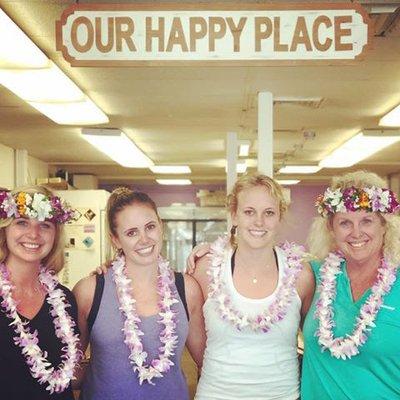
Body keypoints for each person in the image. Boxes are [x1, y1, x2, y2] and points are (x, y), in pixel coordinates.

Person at [190, 173, 314, 400]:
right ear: (234, 215)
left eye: (269, 213)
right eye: (249, 212)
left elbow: (313, 339)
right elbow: (199, 349)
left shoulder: (301, 275)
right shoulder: (206, 269)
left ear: (279, 217)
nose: (259, 222)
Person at [73, 188, 206, 400]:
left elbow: (208, 363)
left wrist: (222, 250)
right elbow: (69, 367)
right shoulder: (89, 291)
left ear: (161, 227)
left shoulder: (187, 289)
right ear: (115, 239)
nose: (144, 239)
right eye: (131, 232)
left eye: (150, 227)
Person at [301, 170, 400, 399]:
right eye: (345, 223)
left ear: (384, 226)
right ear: (331, 229)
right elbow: (262, 263)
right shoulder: (314, 276)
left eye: (367, 220)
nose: (357, 233)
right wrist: (213, 253)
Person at [0, 186, 80, 400]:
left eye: (44, 225)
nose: (33, 234)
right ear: (5, 228)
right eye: (22, 222)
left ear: (55, 235)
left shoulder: (65, 300)